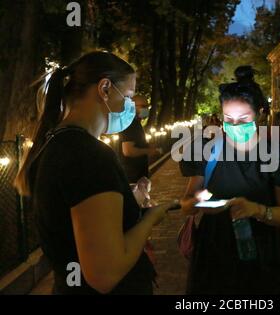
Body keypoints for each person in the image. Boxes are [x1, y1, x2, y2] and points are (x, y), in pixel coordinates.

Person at [14, 51, 177, 294]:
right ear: (105, 88)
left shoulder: (56, 143)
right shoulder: (88, 154)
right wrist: (152, 216)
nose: (131, 108)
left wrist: (127, 202)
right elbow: (105, 274)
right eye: (129, 96)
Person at [179, 82, 280, 294]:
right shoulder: (206, 150)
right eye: (228, 120)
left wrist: (257, 210)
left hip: (262, 255)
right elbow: (186, 205)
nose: (235, 126)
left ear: (260, 114)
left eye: (243, 119)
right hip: (214, 253)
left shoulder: (277, 154)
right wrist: (197, 201)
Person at [120, 95, 160, 183]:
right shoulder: (130, 124)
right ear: (133, 106)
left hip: (137, 174)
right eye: (144, 106)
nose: (147, 109)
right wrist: (149, 151)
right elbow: (128, 151)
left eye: (148, 106)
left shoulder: (135, 123)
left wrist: (147, 146)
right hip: (132, 176)